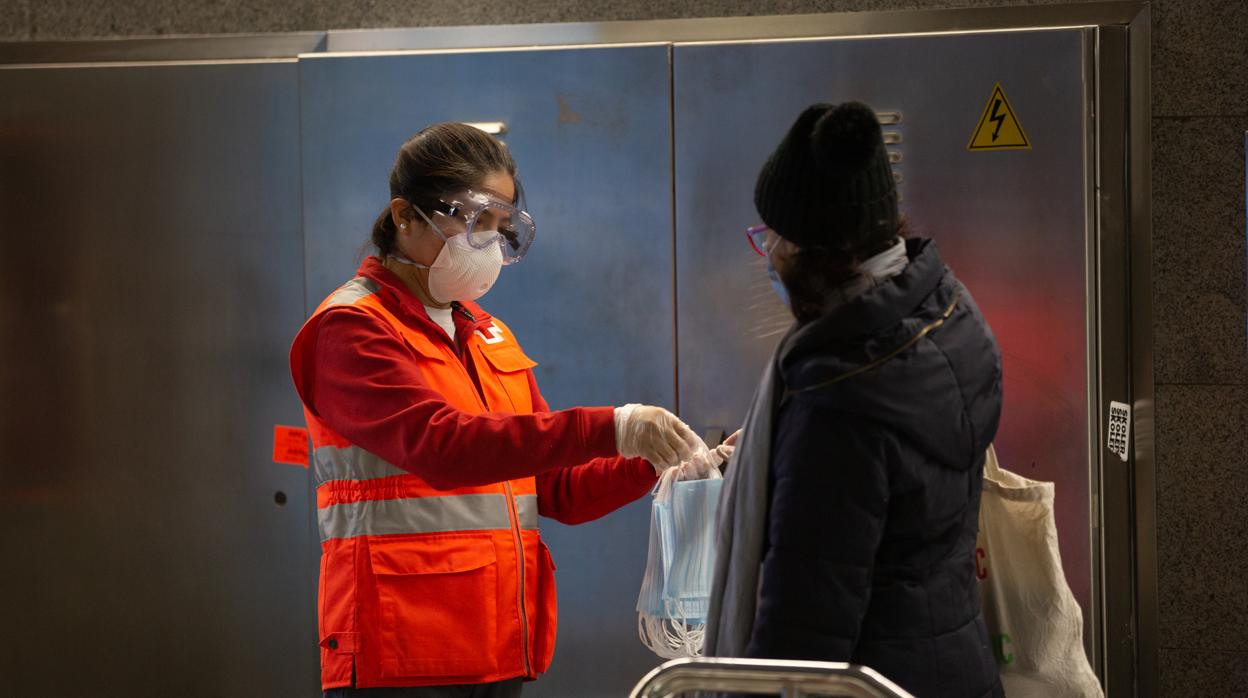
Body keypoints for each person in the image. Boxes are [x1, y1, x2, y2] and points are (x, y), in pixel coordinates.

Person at [289, 122, 704, 697]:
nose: (485, 242)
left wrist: (657, 463)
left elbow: (557, 489)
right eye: (472, 219)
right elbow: (442, 447)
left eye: (498, 227)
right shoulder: (351, 329)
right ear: (405, 215)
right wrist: (612, 426)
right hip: (400, 649)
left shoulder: (484, 333)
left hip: (498, 645)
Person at [705, 102, 1005, 698]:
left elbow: (803, 634)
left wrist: (796, 451)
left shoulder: (837, 398)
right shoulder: (947, 313)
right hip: (949, 658)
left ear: (815, 252)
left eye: (774, 237)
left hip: (877, 678)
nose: (767, 253)